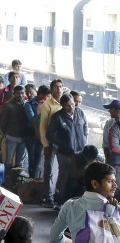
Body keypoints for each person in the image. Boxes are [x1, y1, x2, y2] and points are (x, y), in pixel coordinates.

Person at [50, 161, 118, 242]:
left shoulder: (70, 206)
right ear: (95, 184)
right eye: (110, 181)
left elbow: (55, 237)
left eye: (114, 181)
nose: (115, 185)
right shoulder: (113, 209)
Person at [48, 93, 88, 205]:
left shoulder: (80, 113)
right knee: (64, 176)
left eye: (72, 104)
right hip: (65, 153)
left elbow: (85, 127)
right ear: (62, 106)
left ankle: (75, 200)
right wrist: (63, 144)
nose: (71, 107)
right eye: (67, 105)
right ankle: (61, 199)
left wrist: (84, 139)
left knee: (79, 176)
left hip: (80, 152)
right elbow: (50, 135)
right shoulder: (57, 117)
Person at [41, 79, 65, 207]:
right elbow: (43, 127)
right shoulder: (47, 106)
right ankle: (48, 196)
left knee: (61, 170)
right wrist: (46, 145)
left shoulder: (66, 103)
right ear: (51, 89)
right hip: (51, 144)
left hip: (63, 144)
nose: (59, 89)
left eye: (61, 86)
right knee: (49, 171)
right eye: (56, 87)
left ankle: (58, 194)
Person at [0, 85, 31, 177]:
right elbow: (3, 122)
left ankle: (16, 181)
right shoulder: (8, 105)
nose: (20, 95)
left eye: (22, 93)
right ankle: (7, 180)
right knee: (8, 161)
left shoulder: (27, 105)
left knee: (20, 163)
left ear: (25, 94)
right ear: (14, 94)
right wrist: (5, 132)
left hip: (23, 138)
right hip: (11, 137)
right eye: (17, 93)